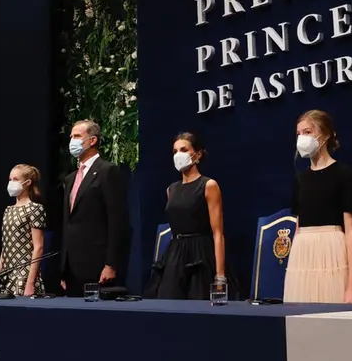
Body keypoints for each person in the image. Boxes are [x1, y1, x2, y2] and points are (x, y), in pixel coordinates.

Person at [284, 110, 352, 304]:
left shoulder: (343, 174)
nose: (302, 138)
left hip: (333, 253)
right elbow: (298, 227)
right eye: (299, 134)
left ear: (326, 134)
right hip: (303, 255)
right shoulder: (300, 179)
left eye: (308, 132)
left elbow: (351, 232)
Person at [144, 132, 238, 300]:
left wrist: (220, 275)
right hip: (175, 254)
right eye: (175, 151)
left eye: (184, 150)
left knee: (199, 302)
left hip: (200, 255)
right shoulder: (171, 189)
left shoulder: (208, 185)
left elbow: (218, 233)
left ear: (198, 154)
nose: (178, 155)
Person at [61, 119, 129, 297]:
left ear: (92, 140)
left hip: (98, 266)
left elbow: (117, 221)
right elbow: (68, 222)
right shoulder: (70, 178)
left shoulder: (107, 171)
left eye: (77, 136)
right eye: (71, 137)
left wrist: (111, 264)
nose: (72, 141)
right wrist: (63, 267)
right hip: (72, 267)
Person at [0, 164, 46, 297]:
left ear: (27, 183)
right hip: (5, 277)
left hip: (24, 276)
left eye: (15, 179)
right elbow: (5, 248)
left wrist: (30, 283)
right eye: (10, 179)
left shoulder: (34, 208)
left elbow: (38, 247)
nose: (11, 183)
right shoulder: (8, 210)